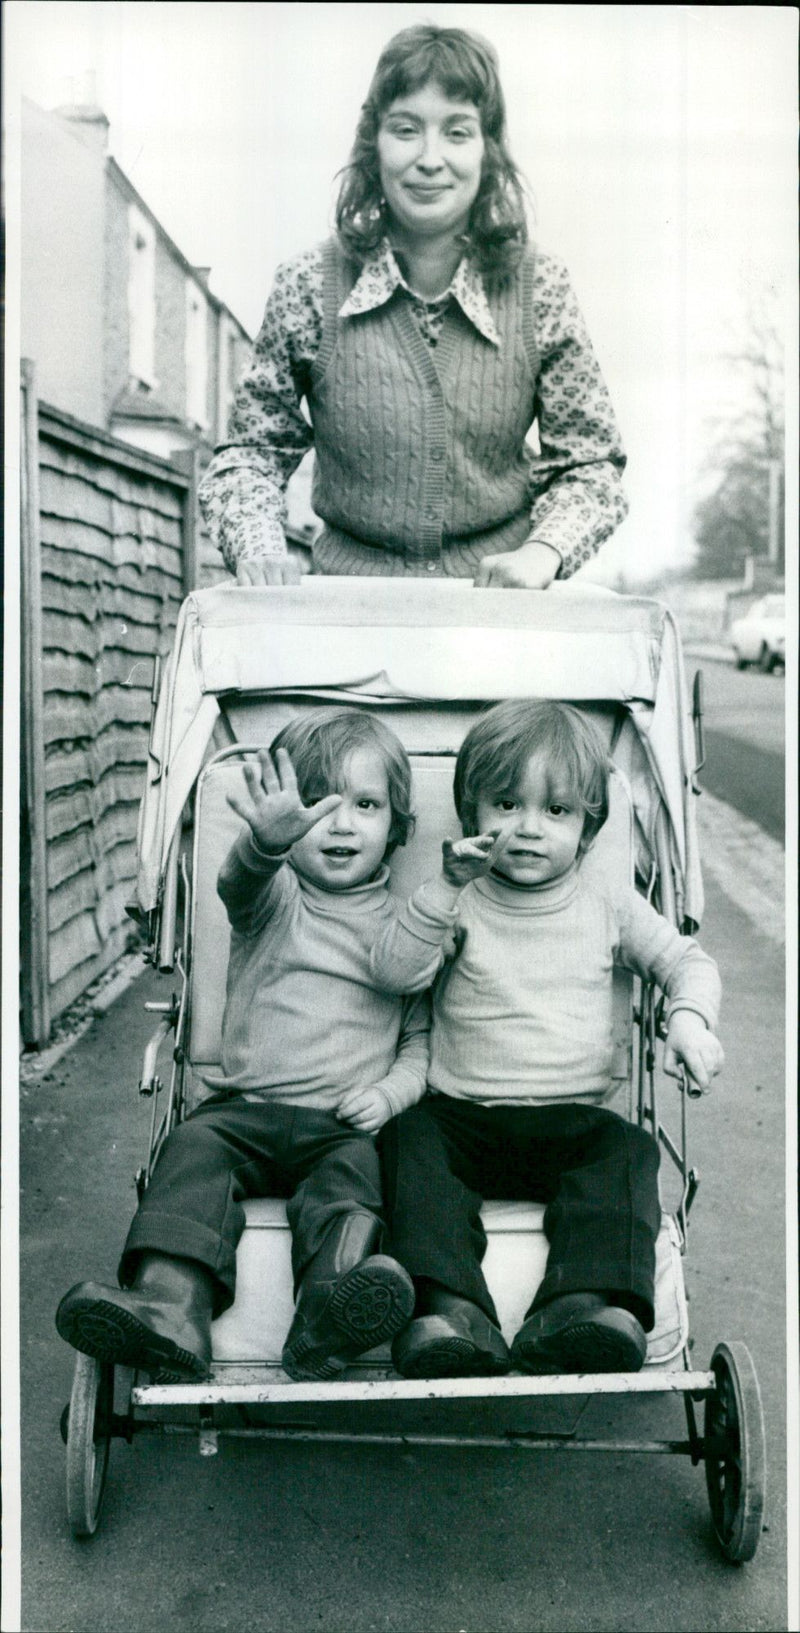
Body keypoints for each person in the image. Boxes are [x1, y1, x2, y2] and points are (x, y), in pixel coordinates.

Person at [56, 711, 429, 1383]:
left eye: (366, 805)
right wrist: (264, 843)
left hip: (342, 1124)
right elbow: (239, 885)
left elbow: (420, 1041)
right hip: (245, 1108)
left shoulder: (411, 927)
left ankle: (330, 1312)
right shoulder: (279, 898)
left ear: (397, 826)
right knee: (193, 1149)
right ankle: (172, 1310)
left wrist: (388, 1093)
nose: (341, 824)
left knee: (351, 1185)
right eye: (318, 806)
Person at [198, 25, 628, 588]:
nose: (430, 159)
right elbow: (248, 455)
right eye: (406, 130)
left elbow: (590, 463)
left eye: (457, 132)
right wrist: (258, 547)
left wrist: (541, 554)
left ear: (488, 149)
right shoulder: (307, 286)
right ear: (373, 144)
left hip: (499, 623)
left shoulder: (540, 288)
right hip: (345, 620)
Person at [371, 700, 724, 1378]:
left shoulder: (609, 903)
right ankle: (450, 1309)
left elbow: (687, 961)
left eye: (556, 811)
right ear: (472, 811)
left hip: (572, 1120)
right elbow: (395, 971)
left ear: (589, 827)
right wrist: (444, 887)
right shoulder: (458, 896)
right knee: (407, 1141)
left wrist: (688, 1018)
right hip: (462, 1115)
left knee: (627, 1149)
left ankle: (581, 1305)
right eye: (507, 803)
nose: (529, 828)